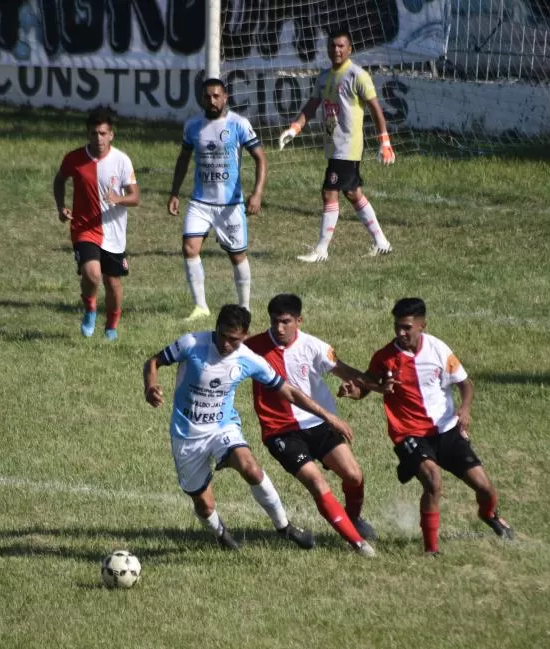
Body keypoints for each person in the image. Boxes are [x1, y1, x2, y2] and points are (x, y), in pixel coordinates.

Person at [143, 304, 350, 551]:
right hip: (187, 435)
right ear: (216, 328)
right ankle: (221, 534)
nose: (227, 345)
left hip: (223, 428)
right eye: (224, 337)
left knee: (251, 468)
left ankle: (284, 527)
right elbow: (153, 361)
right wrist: (150, 386)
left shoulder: (248, 359)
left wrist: (328, 416)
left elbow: (290, 393)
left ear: (245, 336)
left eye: (235, 340)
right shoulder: (191, 343)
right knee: (204, 505)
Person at [348, 297, 514, 555]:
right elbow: (367, 385)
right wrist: (354, 391)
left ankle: (489, 515)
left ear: (422, 325)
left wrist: (465, 408)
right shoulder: (385, 358)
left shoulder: (438, 349)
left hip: (446, 430)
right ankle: (431, 550)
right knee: (433, 481)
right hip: (408, 433)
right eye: (397, 327)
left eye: (407, 327)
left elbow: (465, 383)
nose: (401, 333)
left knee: (485, 488)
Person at [245, 294, 393, 556]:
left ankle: (353, 519)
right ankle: (357, 543)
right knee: (317, 482)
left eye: (285, 322)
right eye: (274, 322)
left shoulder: (313, 346)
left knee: (354, 475)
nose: (278, 328)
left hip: (318, 423)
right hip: (280, 430)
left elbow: (346, 371)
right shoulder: (254, 347)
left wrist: (376, 387)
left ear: (298, 321)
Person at [278, 28, 394, 262]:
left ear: (350, 49)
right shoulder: (324, 77)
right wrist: (294, 128)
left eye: (341, 46)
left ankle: (321, 249)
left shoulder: (357, 75)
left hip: (348, 146)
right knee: (352, 193)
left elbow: (375, 108)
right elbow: (311, 106)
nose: (336, 50)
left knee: (329, 192)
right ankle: (382, 242)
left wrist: (384, 140)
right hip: (334, 145)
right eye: (332, 46)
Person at [168, 77, 267, 320]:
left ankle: (244, 306)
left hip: (230, 205)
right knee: (189, 248)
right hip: (200, 203)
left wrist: (257, 193)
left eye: (216, 96)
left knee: (237, 256)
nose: (211, 100)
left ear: (225, 98)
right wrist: (174, 192)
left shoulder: (239, 124)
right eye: (207, 97)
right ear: (202, 99)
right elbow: (182, 160)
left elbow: (261, 159)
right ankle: (201, 307)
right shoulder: (193, 126)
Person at [53, 108, 140, 340]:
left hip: (114, 232)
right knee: (92, 275)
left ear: (111, 134)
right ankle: (90, 308)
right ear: (88, 134)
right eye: (94, 133)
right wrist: (60, 206)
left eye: (103, 133)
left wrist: (119, 199)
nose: (98, 138)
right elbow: (60, 180)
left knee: (112, 283)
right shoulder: (74, 159)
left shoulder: (121, 161)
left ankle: (111, 326)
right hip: (84, 229)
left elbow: (135, 196)